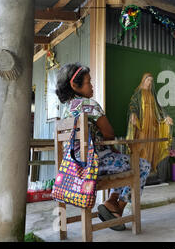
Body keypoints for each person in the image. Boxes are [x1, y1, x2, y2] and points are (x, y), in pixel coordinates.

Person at [55, 63, 151, 231]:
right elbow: (109, 134)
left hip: (72, 169)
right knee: (142, 165)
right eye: (88, 82)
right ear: (74, 85)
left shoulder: (66, 111)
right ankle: (116, 207)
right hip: (93, 166)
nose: (92, 86)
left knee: (120, 161)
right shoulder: (89, 105)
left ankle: (112, 202)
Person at [125, 73, 173, 174]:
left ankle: (150, 169)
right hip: (142, 125)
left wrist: (166, 116)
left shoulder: (152, 95)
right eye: (148, 80)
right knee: (143, 146)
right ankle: (141, 170)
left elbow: (159, 109)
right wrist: (133, 114)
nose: (149, 82)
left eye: (151, 81)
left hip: (152, 125)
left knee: (152, 146)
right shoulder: (138, 94)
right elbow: (132, 106)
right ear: (143, 80)